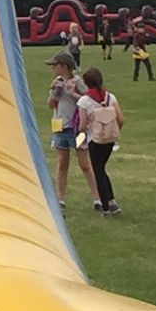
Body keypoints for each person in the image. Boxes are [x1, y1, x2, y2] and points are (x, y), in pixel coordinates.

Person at [76, 66, 125, 214]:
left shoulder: (84, 101)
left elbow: (82, 126)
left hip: (95, 140)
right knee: (102, 169)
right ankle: (112, 201)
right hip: (110, 140)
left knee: (98, 171)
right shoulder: (110, 97)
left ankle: (106, 206)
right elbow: (120, 119)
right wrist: (112, 131)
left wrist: (80, 139)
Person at [46, 51, 86, 205]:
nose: (52, 69)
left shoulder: (78, 81)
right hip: (59, 127)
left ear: (64, 66)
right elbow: (50, 105)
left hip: (77, 129)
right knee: (62, 162)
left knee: (85, 164)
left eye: (54, 65)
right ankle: (60, 199)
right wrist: (55, 91)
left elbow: (89, 100)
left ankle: (98, 198)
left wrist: (73, 93)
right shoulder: (57, 81)